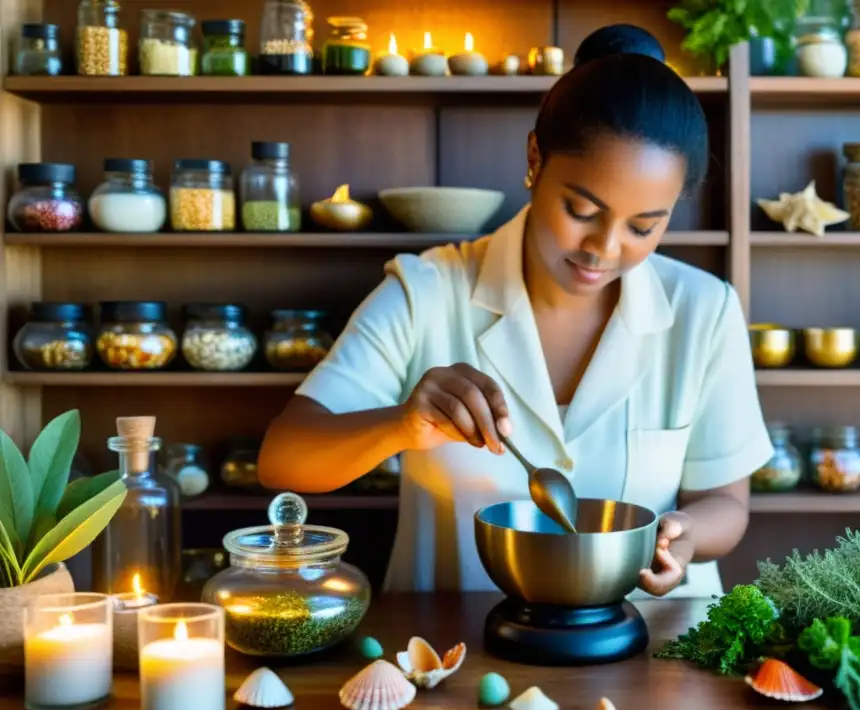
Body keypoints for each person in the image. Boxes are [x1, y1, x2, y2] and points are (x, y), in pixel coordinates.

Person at [258, 24, 773, 599]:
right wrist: (401, 424)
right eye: (581, 209)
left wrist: (687, 534)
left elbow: (726, 503)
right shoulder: (426, 290)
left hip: (660, 650)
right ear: (535, 159)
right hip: (459, 652)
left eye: (643, 227)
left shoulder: (704, 309)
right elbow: (283, 459)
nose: (602, 248)